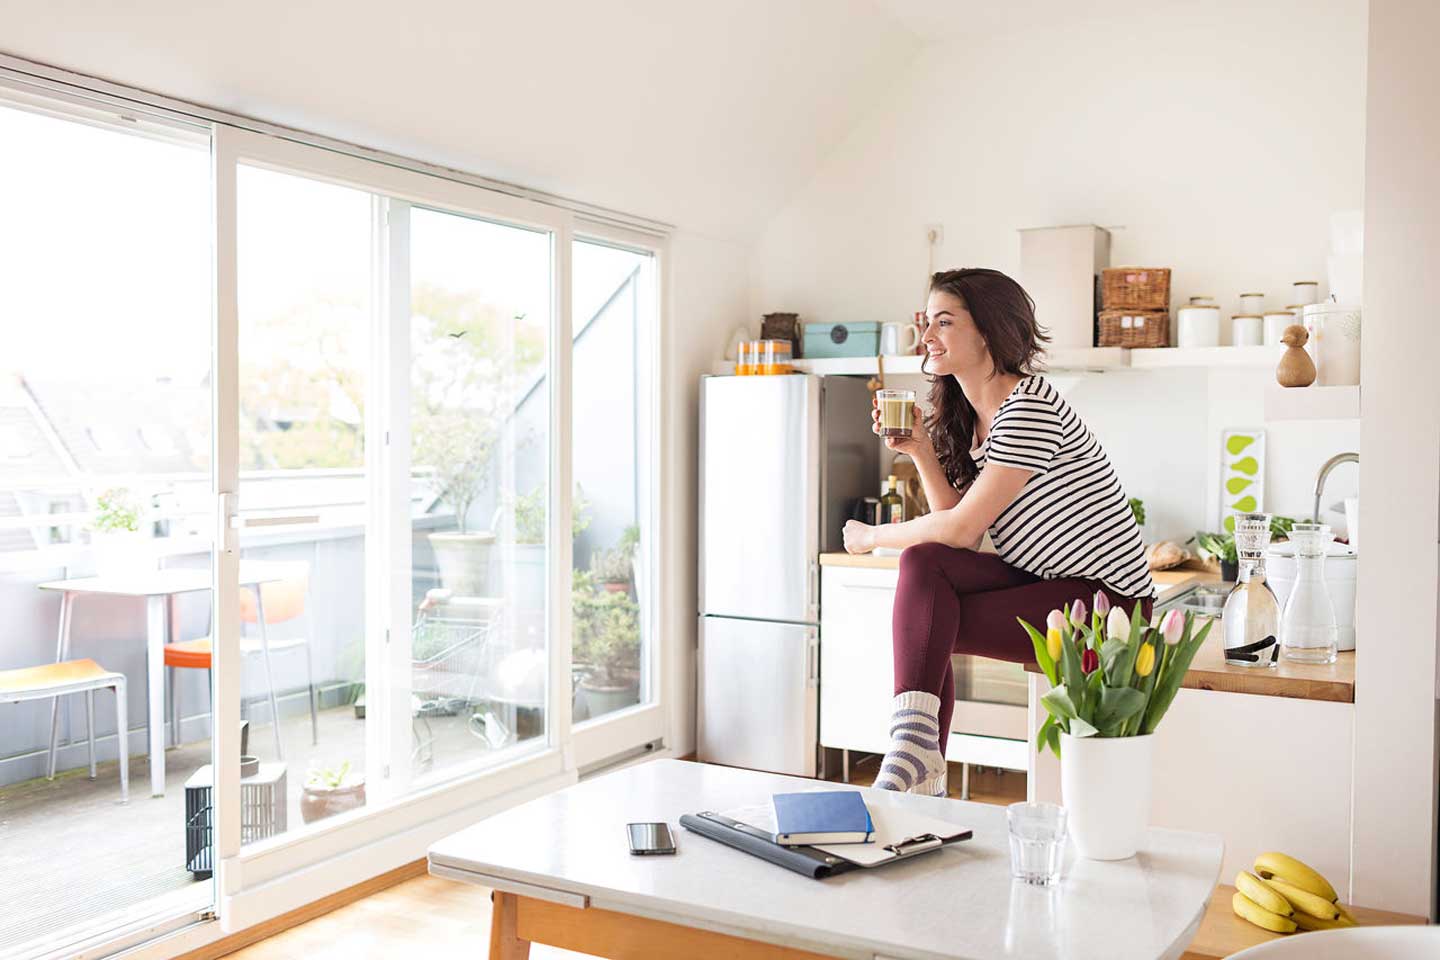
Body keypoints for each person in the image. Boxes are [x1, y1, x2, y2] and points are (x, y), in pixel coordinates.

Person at [843, 268, 1153, 795]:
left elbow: (962, 531)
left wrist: (872, 537)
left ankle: (919, 762)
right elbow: (953, 533)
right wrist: (920, 448)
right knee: (923, 567)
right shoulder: (974, 416)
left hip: (1105, 607)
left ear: (986, 329)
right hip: (1041, 581)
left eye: (944, 322)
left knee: (928, 620)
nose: (927, 337)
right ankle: (919, 757)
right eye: (927, 322)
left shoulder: (1027, 406)